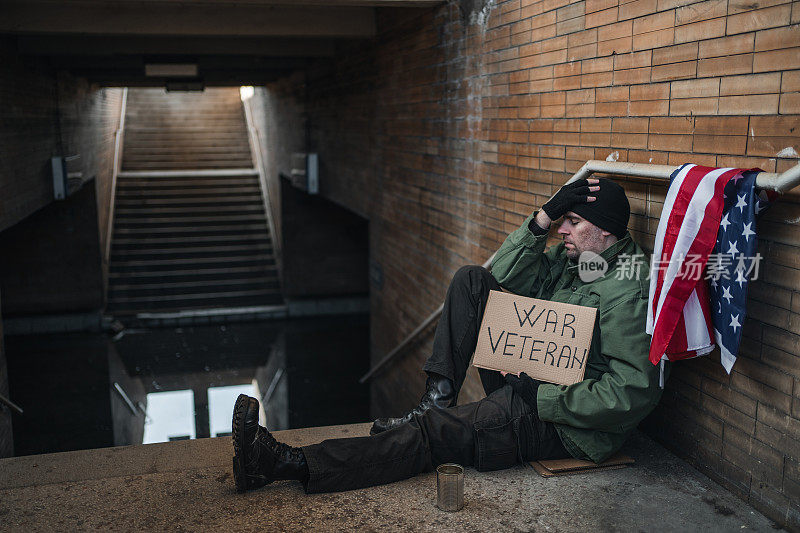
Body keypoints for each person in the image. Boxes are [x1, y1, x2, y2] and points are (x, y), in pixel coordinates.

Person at [232, 177, 664, 494]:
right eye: (562, 222)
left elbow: (632, 393)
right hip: (527, 377)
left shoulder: (628, 290)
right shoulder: (580, 259)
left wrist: (540, 397)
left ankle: (285, 463)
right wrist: (543, 217)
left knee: (436, 435)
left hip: (565, 423)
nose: (562, 231)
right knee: (471, 280)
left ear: (605, 229)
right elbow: (500, 278)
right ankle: (435, 400)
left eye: (572, 221)